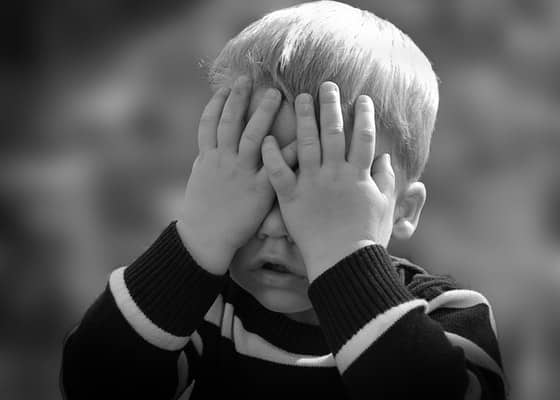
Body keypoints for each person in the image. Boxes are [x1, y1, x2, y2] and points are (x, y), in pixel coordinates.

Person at [60, 1, 506, 399]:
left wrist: (344, 257)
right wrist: (195, 241)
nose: (276, 224)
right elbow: (93, 383)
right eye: (255, 180)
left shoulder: (446, 314)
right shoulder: (205, 309)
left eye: (322, 192)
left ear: (404, 210)